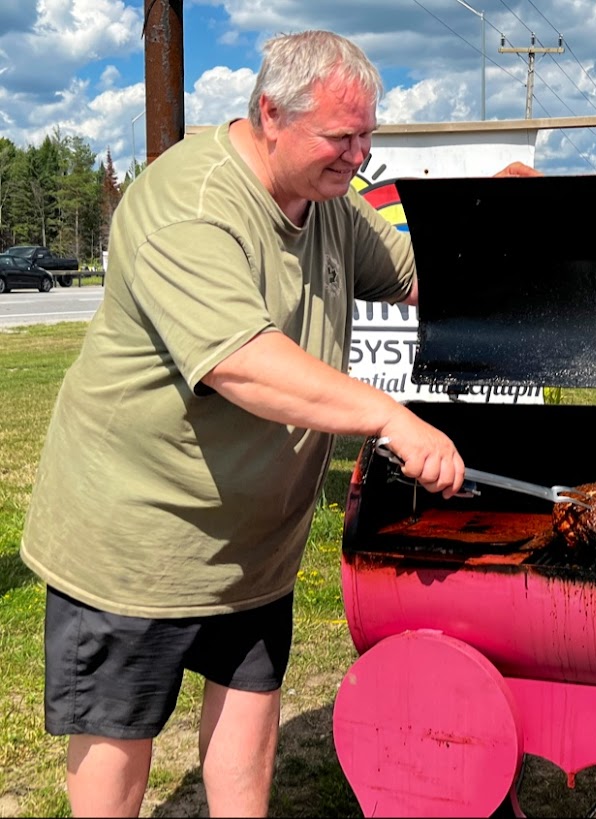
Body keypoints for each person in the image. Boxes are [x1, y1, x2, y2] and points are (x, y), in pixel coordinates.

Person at [19, 29, 540, 818]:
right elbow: (243, 362)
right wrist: (391, 417)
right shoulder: (190, 204)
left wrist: (494, 223)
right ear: (270, 112)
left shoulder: (329, 201)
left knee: (248, 717)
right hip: (138, 531)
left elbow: (409, 279)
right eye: (340, 136)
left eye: (368, 135)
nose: (358, 155)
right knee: (115, 744)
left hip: (254, 541)